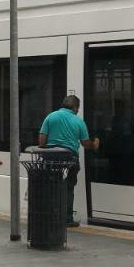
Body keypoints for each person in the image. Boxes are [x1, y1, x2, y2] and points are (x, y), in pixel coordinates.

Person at [38, 95, 100, 227]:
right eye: (78, 108)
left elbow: (42, 141)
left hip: (50, 158)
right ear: (75, 107)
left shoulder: (51, 117)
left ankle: (49, 215)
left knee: (51, 186)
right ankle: (67, 219)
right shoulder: (79, 122)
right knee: (68, 187)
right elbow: (85, 144)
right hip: (69, 158)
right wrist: (94, 144)